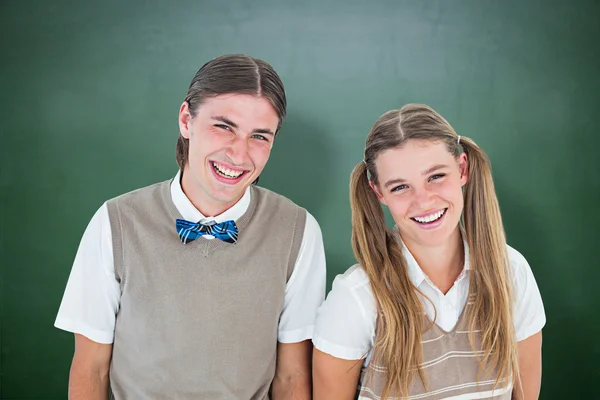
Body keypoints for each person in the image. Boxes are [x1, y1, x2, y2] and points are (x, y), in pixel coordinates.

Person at [54, 54, 326, 400]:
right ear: (186, 120)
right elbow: (90, 369)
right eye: (224, 126)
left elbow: (292, 377)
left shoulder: (297, 231)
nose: (239, 155)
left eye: (259, 136)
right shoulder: (115, 222)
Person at [312, 104, 545, 399]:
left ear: (462, 169)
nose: (423, 201)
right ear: (378, 192)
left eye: (435, 177)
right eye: (400, 187)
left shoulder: (511, 272)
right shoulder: (356, 299)